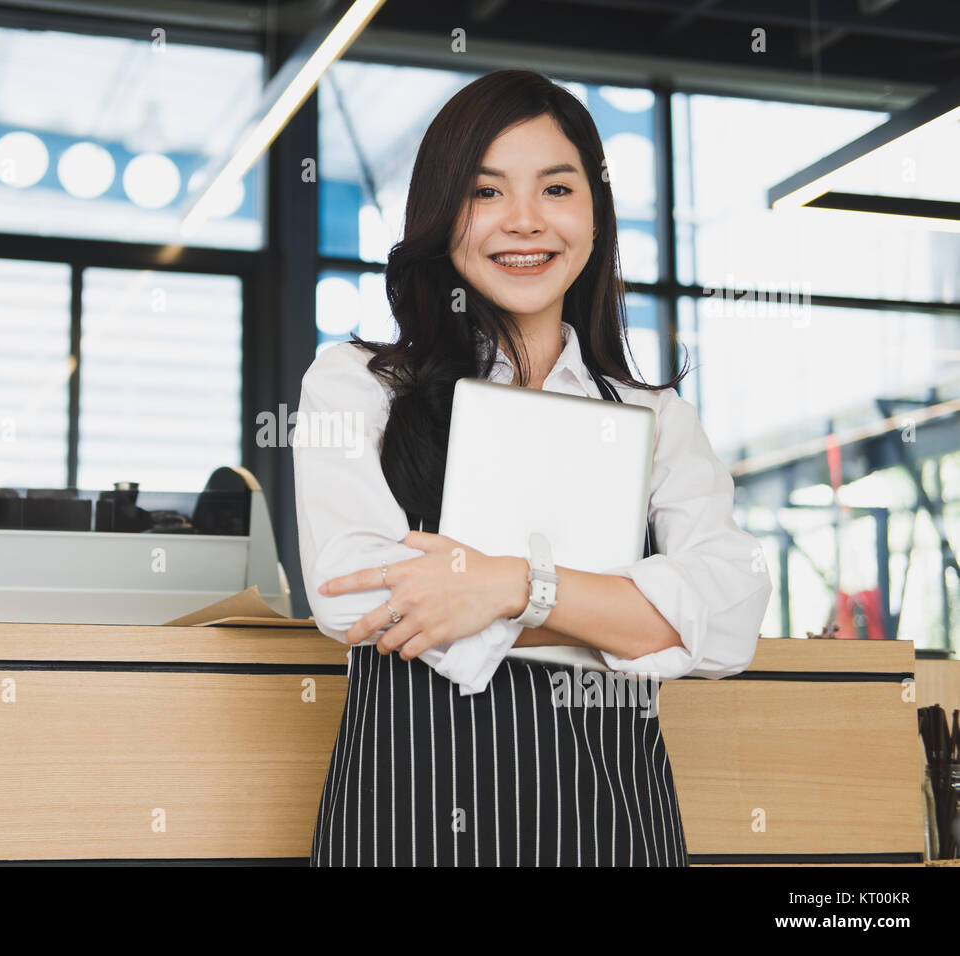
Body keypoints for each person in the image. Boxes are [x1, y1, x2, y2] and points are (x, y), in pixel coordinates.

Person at [292, 69, 772, 867]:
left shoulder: (656, 420)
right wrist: (627, 613)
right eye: (485, 193)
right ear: (442, 214)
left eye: (556, 189)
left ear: (594, 213)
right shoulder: (357, 383)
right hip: (404, 822)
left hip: (611, 824)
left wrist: (508, 584)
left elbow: (727, 619)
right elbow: (356, 597)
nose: (524, 223)